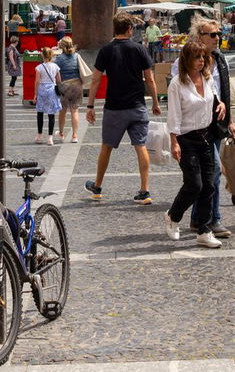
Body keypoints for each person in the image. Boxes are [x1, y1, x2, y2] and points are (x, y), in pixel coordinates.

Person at [83, 15, 161, 204]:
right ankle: (145, 191)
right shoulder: (140, 49)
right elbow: (150, 79)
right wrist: (155, 103)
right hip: (137, 106)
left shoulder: (106, 50)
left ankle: (97, 187)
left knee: (107, 147)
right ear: (129, 29)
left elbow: (95, 79)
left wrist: (90, 105)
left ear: (115, 29)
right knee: (140, 146)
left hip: (114, 107)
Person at [163, 40, 222, 248]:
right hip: (186, 138)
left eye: (203, 57)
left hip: (206, 136)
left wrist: (221, 104)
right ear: (186, 59)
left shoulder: (207, 78)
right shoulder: (177, 84)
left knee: (209, 185)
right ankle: (173, 215)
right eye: (197, 57)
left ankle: (204, 230)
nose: (201, 61)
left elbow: (214, 98)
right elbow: (174, 115)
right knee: (194, 185)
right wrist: (174, 141)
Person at [53, 36, 84, 143]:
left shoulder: (59, 59)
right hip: (77, 85)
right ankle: (75, 136)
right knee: (75, 110)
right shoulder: (77, 56)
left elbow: (55, 72)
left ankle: (61, 132)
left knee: (63, 111)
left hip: (64, 86)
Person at [33, 47, 61, 145]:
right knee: (51, 114)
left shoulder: (39, 67)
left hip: (42, 90)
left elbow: (37, 81)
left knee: (40, 113)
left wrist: (35, 94)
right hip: (52, 90)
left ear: (42, 55)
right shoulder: (55, 66)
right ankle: (50, 138)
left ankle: (39, 135)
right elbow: (59, 80)